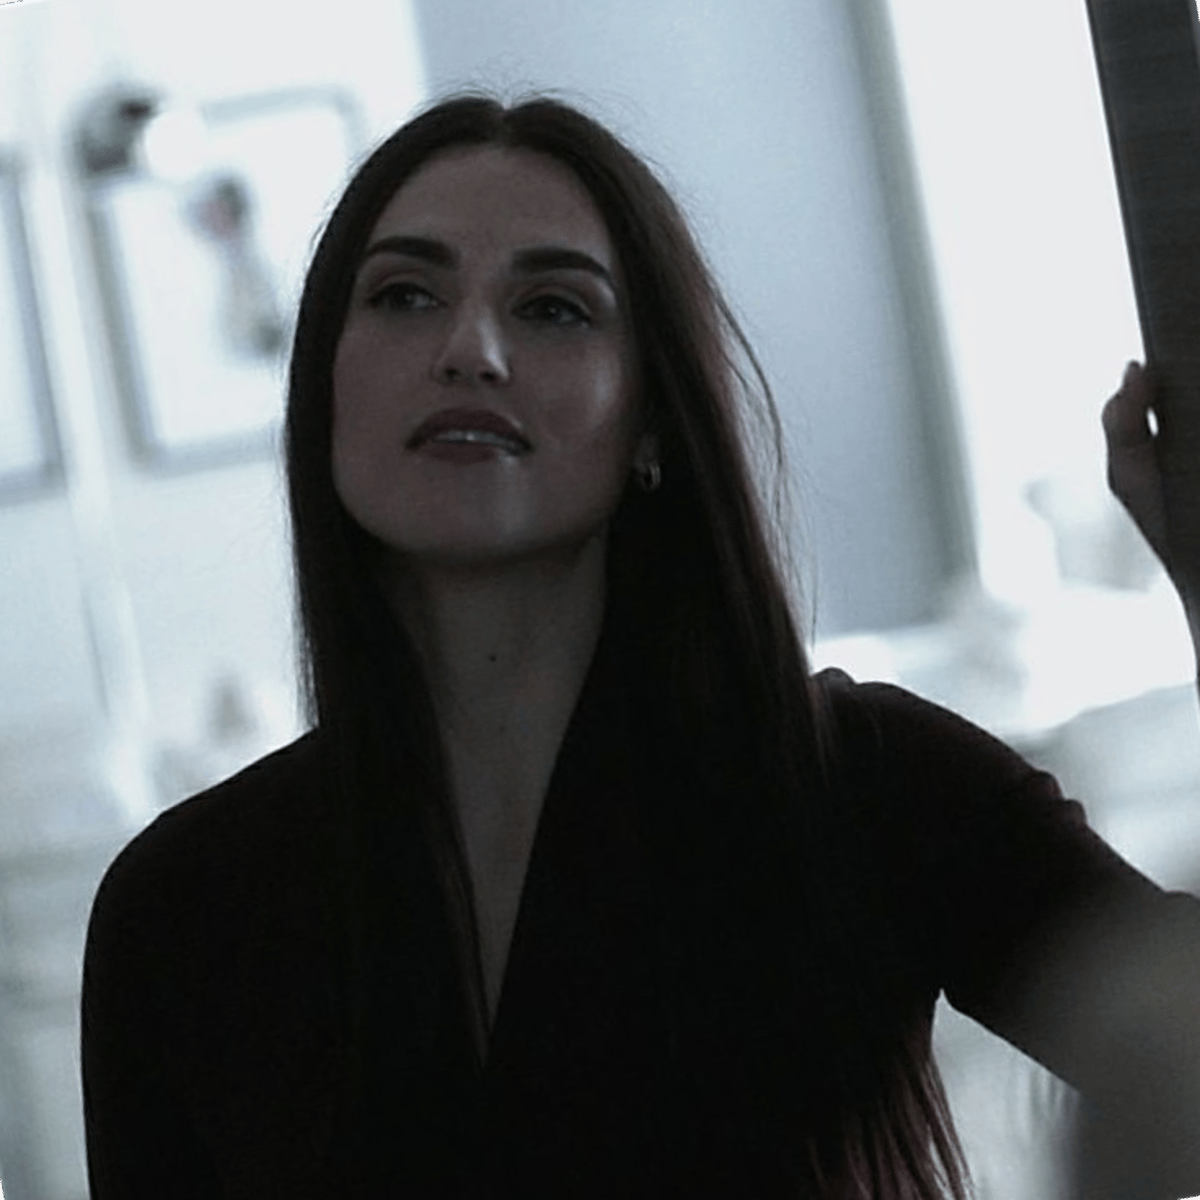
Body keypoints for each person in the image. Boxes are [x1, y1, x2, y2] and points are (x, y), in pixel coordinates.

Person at [80, 94, 1200, 1199]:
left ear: (653, 418)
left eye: (554, 308)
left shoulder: (863, 787)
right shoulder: (181, 911)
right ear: (325, 389)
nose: (470, 350)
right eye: (406, 295)